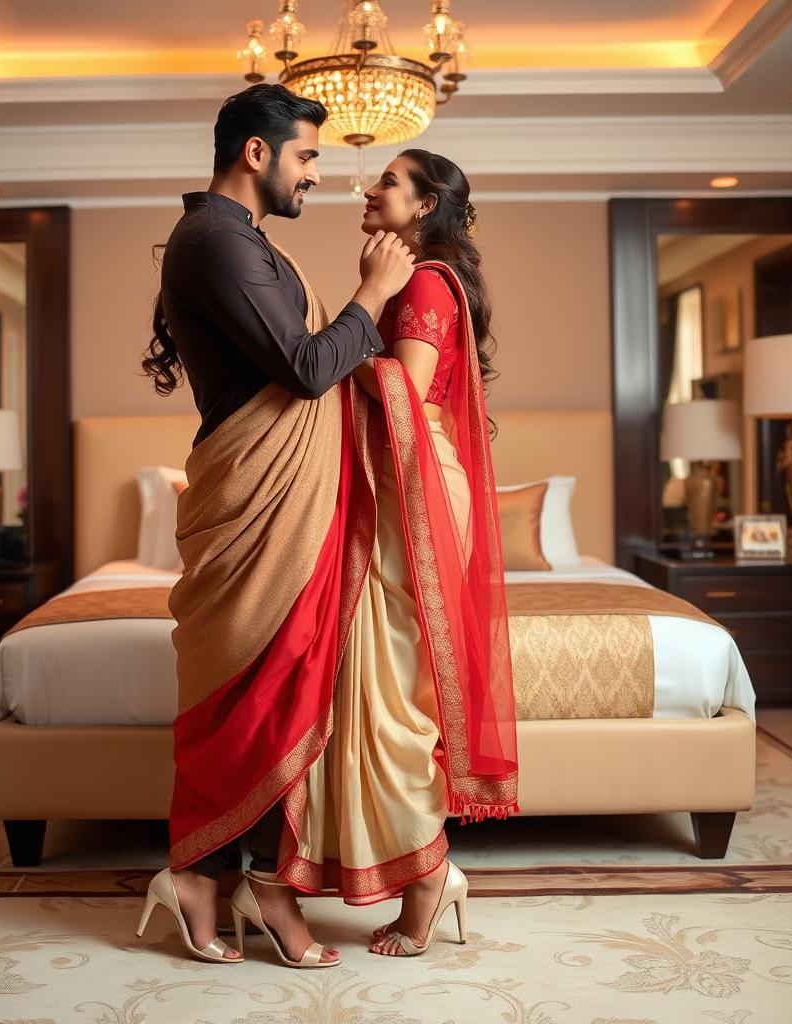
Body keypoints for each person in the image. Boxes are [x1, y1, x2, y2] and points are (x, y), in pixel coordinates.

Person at [137, 83, 415, 967]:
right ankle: (236, 878)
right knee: (257, 689)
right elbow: (303, 369)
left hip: (275, 494)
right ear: (255, 154)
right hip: (254, 499)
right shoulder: (216, 240)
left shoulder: (238, 241)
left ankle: (209, 877)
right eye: (307, 156)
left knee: (274, 685)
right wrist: (372, 297)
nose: (318, 176)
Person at [276, 149, 520, 957]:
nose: (368, 188)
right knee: (383, 689)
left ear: (424, 207)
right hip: (408, 486)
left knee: (390, 701)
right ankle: (424, 875)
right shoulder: (429, 279)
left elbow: (401, 392)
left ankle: (427, 881)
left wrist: (351, 314)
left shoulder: (420, 282)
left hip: (411, 496)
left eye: (387, 180)